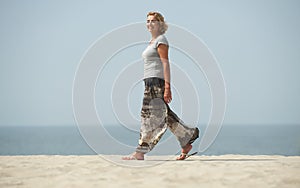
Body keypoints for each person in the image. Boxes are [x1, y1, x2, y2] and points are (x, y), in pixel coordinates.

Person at [122, 11, 199, 160]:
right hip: (149, 82)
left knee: (148, 117)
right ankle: (187, 139)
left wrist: (168, 87)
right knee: (166, 115)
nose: (150, 23)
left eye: (153, 21)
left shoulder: (161, 40)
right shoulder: (152, 42)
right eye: (148, 21)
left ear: (160, 24)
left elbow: (166, 64)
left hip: (157, 83)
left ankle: (140, 151)